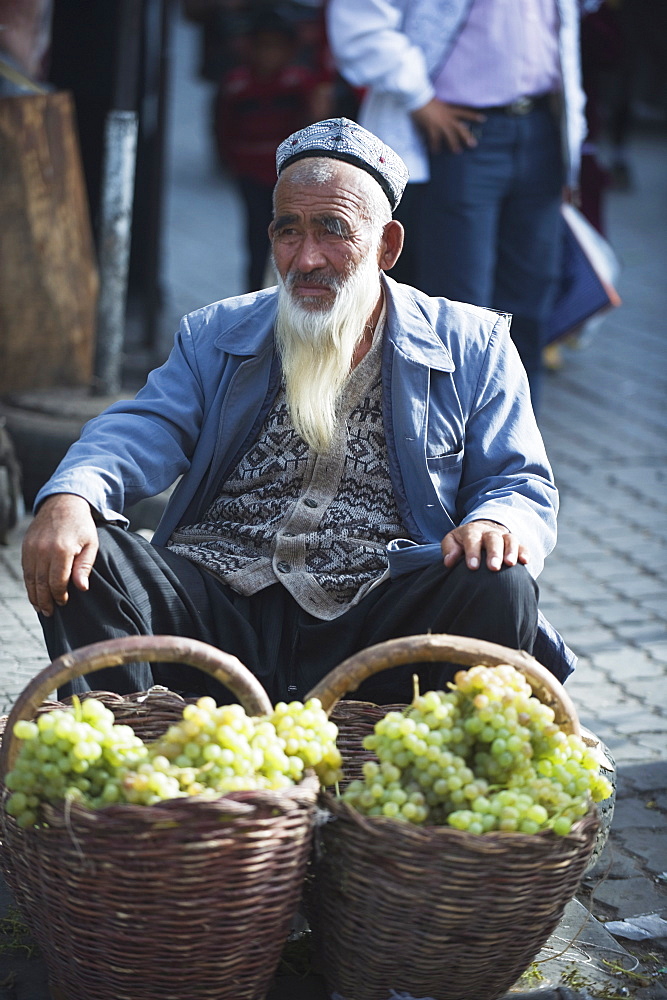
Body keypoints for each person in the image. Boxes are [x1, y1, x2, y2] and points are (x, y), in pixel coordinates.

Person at [21, 117, 573, 708]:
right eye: (290, 231)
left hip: (378, 617)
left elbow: (517, 481)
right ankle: (140, 767)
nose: (306, 258)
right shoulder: (217, 332)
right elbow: (147, 425)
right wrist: (71, 496)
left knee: (498, 582)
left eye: (333, 230)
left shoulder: (472, 343)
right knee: (86, 556)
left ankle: (424, 773)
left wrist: (498, 524)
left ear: (387, 246)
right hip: (220, 607)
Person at [326, 0, 602, 412]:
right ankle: (446, 452)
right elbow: (360, 23)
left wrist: (569, 144)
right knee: (459, 310)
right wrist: (419, 98)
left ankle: (514, 454)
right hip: (458, 133)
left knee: (530, 303)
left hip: (544, 127)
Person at [214, 8, 330, 291]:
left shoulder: (299, 83)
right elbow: (223, 127)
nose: (269, 55)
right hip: (250, 173)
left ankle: (289, 293)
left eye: (276, 47)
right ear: (249, 48)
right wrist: (232, 163)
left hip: (288, 177)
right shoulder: (237, 86)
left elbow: (314, 117)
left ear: (290, 50)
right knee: (257, 237)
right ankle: (255, 295)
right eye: (263, 47)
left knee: (292, 235)